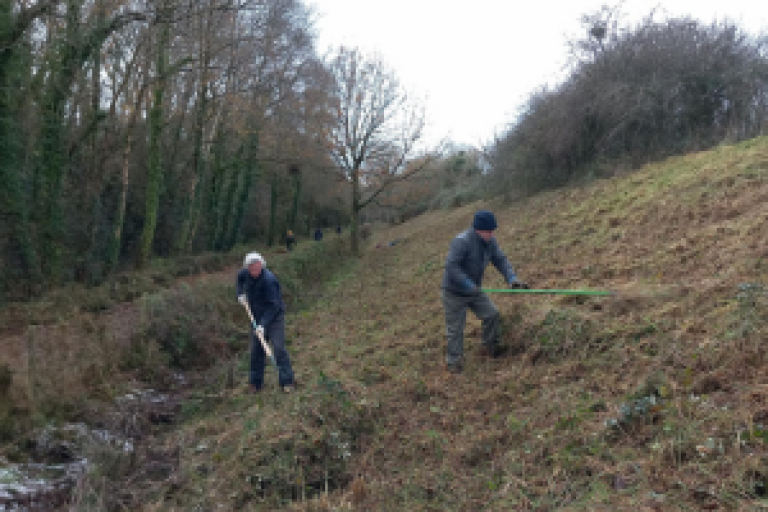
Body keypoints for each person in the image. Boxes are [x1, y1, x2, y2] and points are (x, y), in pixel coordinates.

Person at [440, 210, 529, 373]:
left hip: (474, 290)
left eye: (493, 230)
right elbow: (452, 267)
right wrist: (467, 284)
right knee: (455, 329)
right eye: (489, 231)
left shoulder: (490, 242)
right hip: (454, 292)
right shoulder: (461, 242)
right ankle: (454, 363)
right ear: (478, 229)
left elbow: (500, 260)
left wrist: (512, 279)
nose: (492, 234)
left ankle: (490, 348)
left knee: (492, 314)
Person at [236, 252, 295, 393]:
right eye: (251, 268)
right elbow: (239, 279)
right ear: (248, 268)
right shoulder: (245, 274)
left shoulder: (269, 281)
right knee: (256, 351)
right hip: (256, 317)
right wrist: (240, 294)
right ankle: (256, 384)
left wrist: (263, 325)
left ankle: (287, 382)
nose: (254, 271)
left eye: (256, 268)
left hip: (274, 318)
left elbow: (273, 306)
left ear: (261, 265)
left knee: (279, 348)